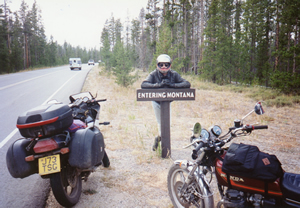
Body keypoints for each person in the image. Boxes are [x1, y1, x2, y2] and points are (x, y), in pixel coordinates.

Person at [141, 54, 191, 151]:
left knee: (166, 123)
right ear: (157, 65)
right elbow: (144, 84)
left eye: (166, 64)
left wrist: (173, 85)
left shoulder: (174, 74)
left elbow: (187, 83)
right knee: (160, 123)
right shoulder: (153, 74)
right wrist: (157, 85)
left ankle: (159, 138)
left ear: (170, 66)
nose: (164, 67)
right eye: (161, 64)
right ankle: (160, 141)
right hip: (156, 102)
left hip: (167, 103)